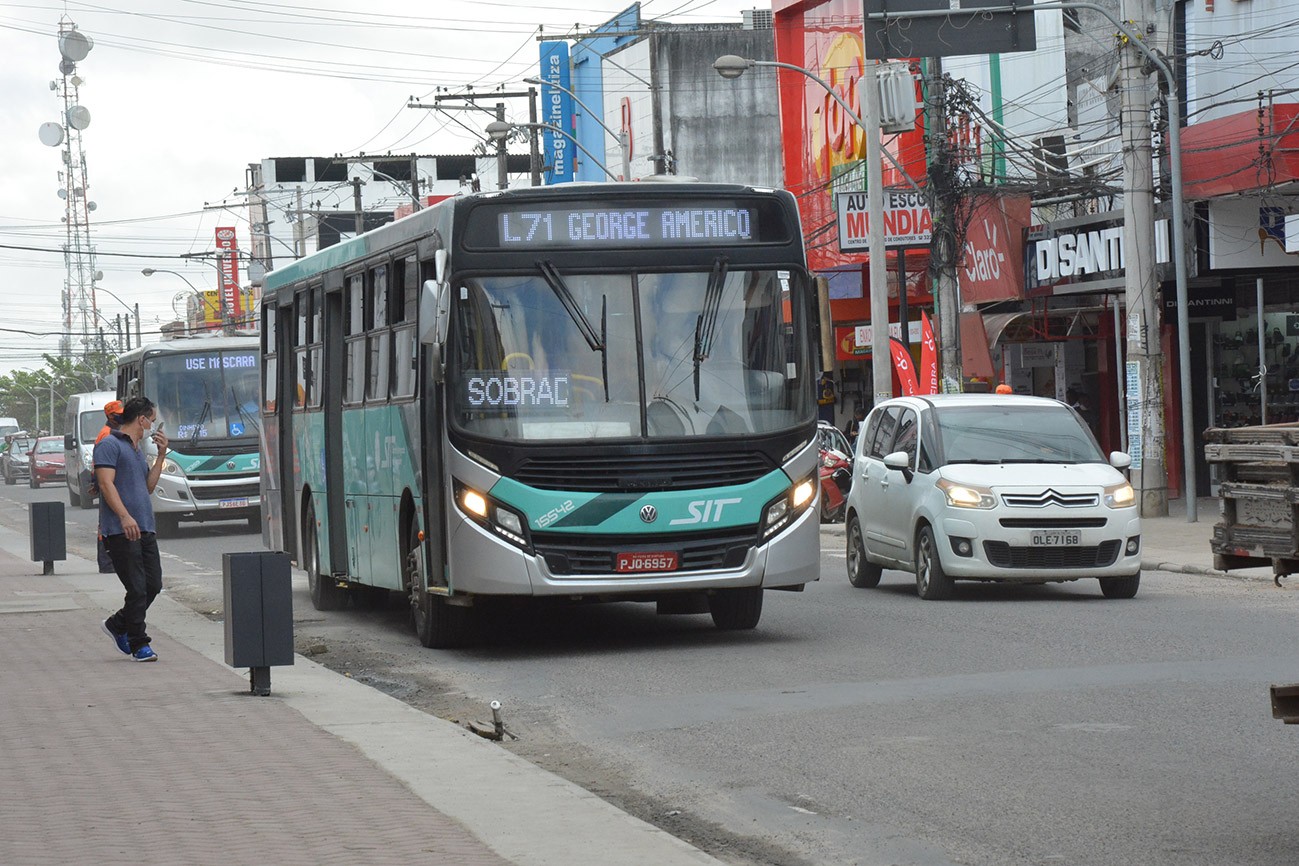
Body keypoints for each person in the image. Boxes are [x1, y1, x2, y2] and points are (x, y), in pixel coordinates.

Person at [96, 396, 169, 662]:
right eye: (152, 419)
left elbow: (147, 487)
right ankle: (140, 644)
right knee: (137, 588)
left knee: (153, 585)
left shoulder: (138, 450)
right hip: (121, 530)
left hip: (145, 528)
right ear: (141, 419)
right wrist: (125, 517)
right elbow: (106, 485)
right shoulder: (109, 445)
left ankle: (117, 624)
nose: (152, 425)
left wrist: (161, 456)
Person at [92, 400, 123, 573]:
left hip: (109, 482)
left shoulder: (111, 431)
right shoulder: (106, 434)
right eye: (119, 413)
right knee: (106, 524)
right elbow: (99, 463)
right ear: (111, 416)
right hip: (107, 483)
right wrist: (96, 483)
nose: (122, 415)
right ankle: (106, 563)